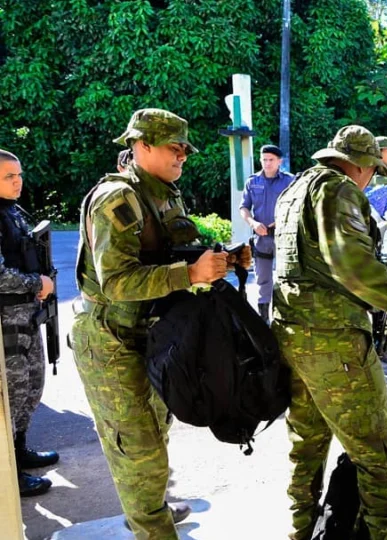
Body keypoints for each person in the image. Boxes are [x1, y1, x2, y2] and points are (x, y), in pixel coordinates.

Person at [72, 108, 230, 538]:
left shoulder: (164, 193)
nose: (182, 157)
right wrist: (191, 274)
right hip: (111, 339)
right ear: (141, 146)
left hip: (152, 335)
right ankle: (152, 526)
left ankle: (151, 512)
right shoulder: (117, 199)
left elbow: (173, 251)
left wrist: (218, 260)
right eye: (173, 148)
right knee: (139, 454)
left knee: (156, 434)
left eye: (185, 150)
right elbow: (118, 282)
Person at [272, 125, 387, 540]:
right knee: (380, 454)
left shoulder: (294, 190)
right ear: (360, 166)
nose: (372, 179)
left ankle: (300, 531)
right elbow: (350, 263)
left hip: (290, 336)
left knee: (306, 447)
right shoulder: (338, 189)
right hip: (332, 341)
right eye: (373, 171)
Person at [0, 149, 58, 497]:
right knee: (12, 396)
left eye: (19, 175)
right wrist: (36, 284)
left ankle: (20, 451)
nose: (17, 181)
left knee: (31, 387)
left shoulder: (12, 210)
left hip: (26, 317)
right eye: (9, 176)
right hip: (7, 320)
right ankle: (10, 473)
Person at [240, 144, 297, 320]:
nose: (267, 163)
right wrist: (253, 223)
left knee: (286, 280)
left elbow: (299, 207)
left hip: (284, 239)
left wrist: (282, 221)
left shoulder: (290, 181)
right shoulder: (253, 182)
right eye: (264, 159)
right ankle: (263, 319)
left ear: (280, 161)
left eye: (271, 160)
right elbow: (244, 207)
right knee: (263, 281)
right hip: (262, 239)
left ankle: (285, 318)